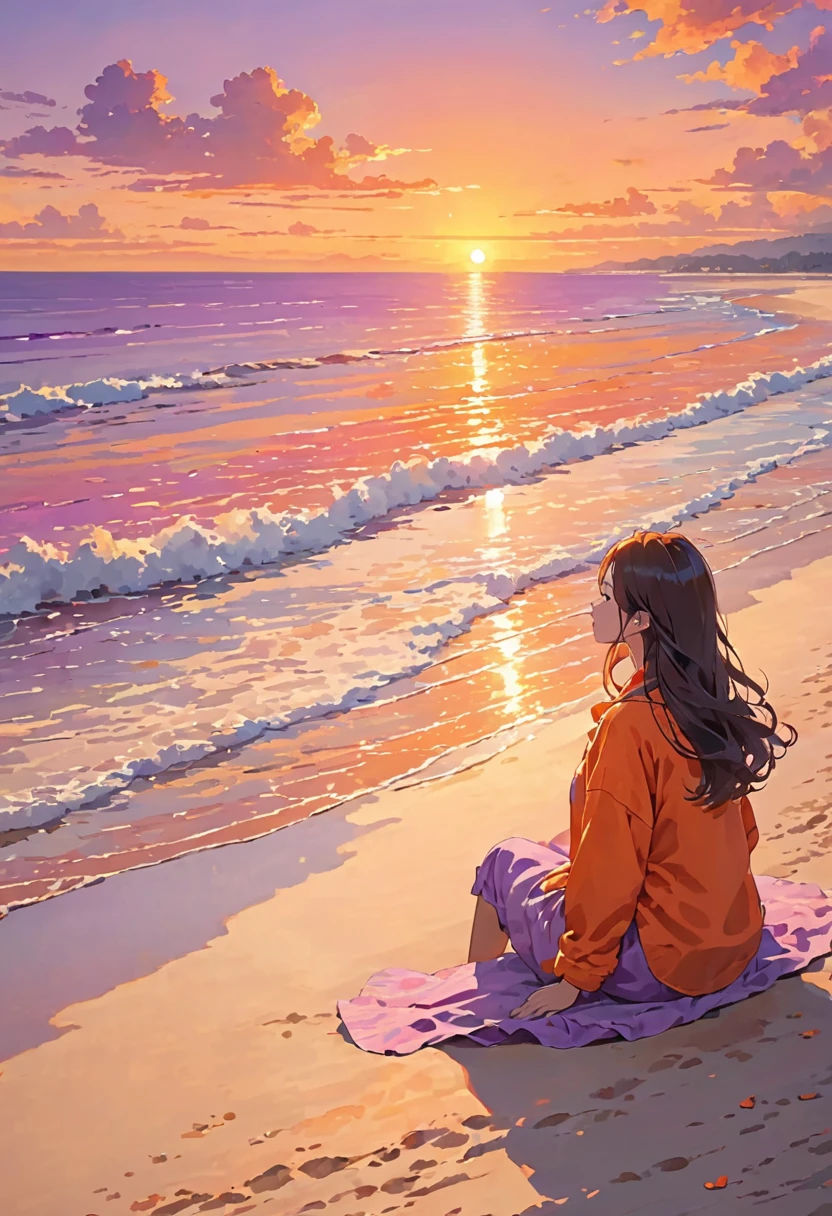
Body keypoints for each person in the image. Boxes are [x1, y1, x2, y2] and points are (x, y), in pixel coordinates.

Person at [338, 530, 832, 1055]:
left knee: (503, 861)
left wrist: (578, 978)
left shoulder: (631, 725)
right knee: (561, 850)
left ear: (639, 620)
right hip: (733, 942)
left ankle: (480, 990)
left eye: (604, 597)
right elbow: (741, 833)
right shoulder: (705, 702)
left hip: (657, 968)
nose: (592, 608)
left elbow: (612, 870)